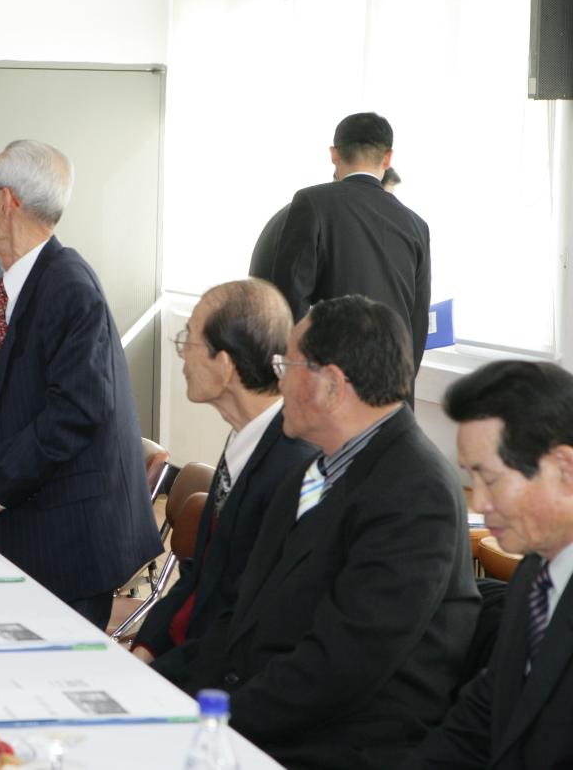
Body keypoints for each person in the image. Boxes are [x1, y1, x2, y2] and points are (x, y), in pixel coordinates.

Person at [164, 295, 478, 770]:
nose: (277, 378)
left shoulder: (416, 493)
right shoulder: (315, 470)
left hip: (343, 742)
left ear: (331, 384)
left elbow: (343, 666)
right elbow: (242, 618)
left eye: (287, 363)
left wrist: (211, 719)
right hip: (275, 712)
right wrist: (158, 682)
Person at [0, 140, 163, 628]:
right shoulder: (26, 280)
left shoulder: (67, 286)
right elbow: (12, 406)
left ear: (6, 201)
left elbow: (77, 411)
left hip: (71, 534)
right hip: (45, 518)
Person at [130, 279, 315, 670]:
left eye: (189, 341)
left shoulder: (293, 467)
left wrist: (164, 672)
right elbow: (201, 571)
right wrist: (146, 647)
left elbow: (253, 616)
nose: (181, 355)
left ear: (226, 365)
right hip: (191, 656)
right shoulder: (246, 438)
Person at [406, 360, 573, 769]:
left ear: (564, 469)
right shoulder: (536, 574)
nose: (478, 503)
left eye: (490, 478)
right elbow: (481, 717)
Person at [248, 112, 432, 373]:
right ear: (388, 157)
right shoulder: (416, 224)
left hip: (330, 374)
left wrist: (294, 372)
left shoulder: (312, 203)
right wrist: (403, 379)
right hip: (392, 378)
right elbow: (418, 317)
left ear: (334, 154)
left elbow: (290, 297)